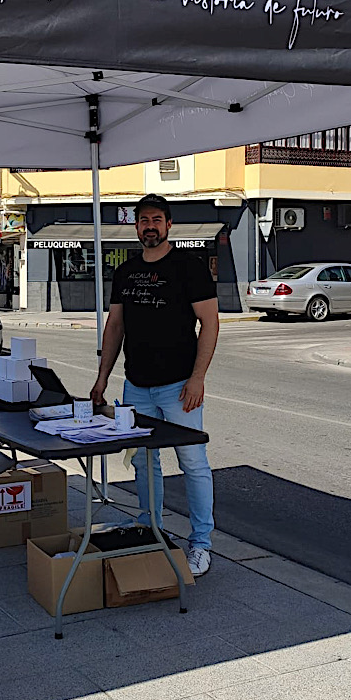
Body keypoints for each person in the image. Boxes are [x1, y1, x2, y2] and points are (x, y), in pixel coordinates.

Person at [90, 193, 219, 577]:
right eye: (144, 220)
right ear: (136, 226)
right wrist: (102, 378)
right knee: (143, 461)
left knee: (192, 461)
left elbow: (210, 324)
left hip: (180, 386)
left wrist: (198, 378)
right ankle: (151, 528)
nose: (150, 226)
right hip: (136, 386)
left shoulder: (189, 268)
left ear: (168, 224)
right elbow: (115, 326)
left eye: (156, 220)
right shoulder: (126, 271)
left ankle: (201, 543)